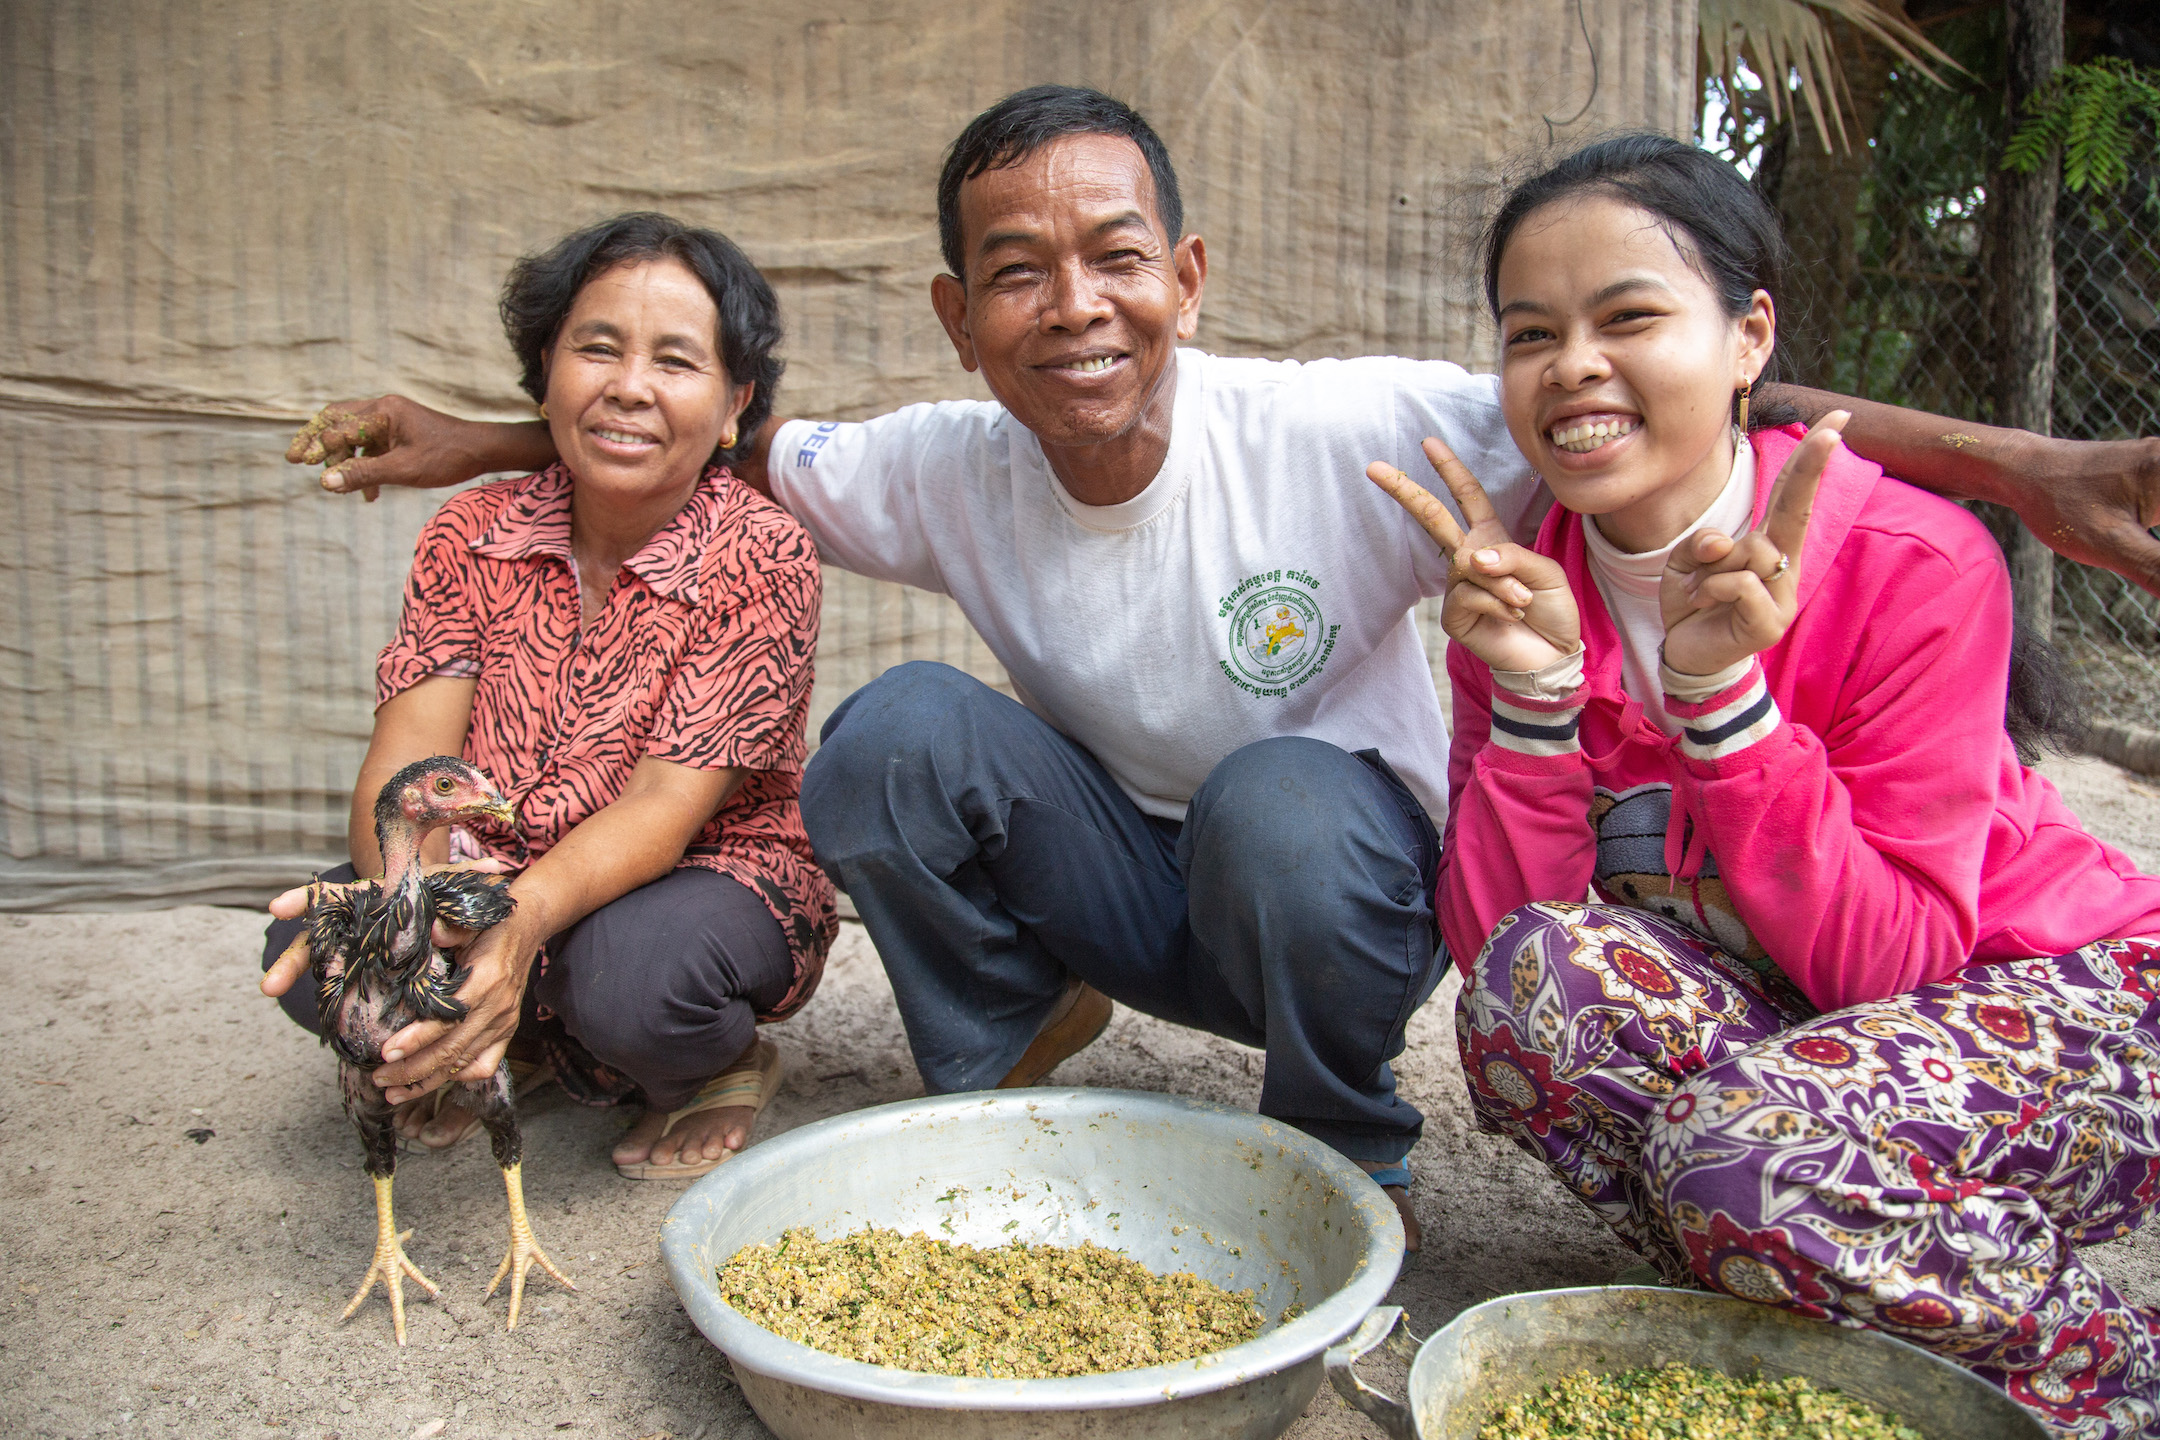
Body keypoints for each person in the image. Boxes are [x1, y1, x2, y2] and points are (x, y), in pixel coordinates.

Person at [284, 87, 2160, 1252]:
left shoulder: (1367, 426)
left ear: (1188, 273)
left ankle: (1339, 1143)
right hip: (1125, 867)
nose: (1073, 305)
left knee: (1279, 792)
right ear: (961, 315)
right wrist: (474, 436)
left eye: (1115, 256)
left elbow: (1662, 403)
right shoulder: (938, 458)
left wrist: (2025, 471)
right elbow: (696, 436)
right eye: (1015, 272)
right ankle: (1007, 1060)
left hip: (1325, 888)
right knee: (895, 735)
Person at [1372, 132, 2160, 1435]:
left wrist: (1729, 716)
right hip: (1813, 1051)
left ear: (1750, 338)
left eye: (1628, 316)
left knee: (1739, 1158)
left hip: (2071, 999)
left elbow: (1900, 965)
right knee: (1535, 999)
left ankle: (2106, 1376)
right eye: (1530, 334)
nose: (1572, 364)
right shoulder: (1525, 577)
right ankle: (1821, 1262)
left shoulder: (1915, 559)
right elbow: (1508, 954)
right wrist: (1532, 701)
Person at [262, 212, 835, 1181]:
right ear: (546, 367)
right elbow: (409, 763)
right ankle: (522, 1033)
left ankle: (716, 1064)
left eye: (676, 362)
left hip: (703, 874)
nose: (629, 387)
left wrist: (520, 921)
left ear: (735, 404)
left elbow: (664, 805)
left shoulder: (761, 553)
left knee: (629, 983)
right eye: (597, 348)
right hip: (497, 864)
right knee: (322, 947)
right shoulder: (472, 529)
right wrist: (416, 904)